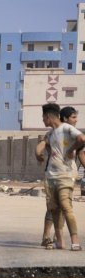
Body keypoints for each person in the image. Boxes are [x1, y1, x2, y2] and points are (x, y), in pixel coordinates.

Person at [35, 102, 85, 250]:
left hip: (66, 175)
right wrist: (37, 154)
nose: (42, 120)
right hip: (51, 176)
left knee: (66, 207)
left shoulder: (68, 129)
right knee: (54, 209)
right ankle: (59, 241)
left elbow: (82, 140)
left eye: (43, 117)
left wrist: (70, 149)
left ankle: (75, 242)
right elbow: (41, 145)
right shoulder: (50, 134)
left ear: (48, 117)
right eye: (74, 117)